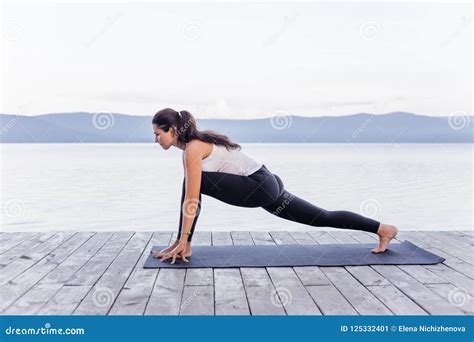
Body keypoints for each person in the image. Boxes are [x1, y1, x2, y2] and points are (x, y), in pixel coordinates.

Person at [151, 108, 398, 264]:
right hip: (268, 183)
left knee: (192, 185)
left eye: (158, 134)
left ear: (172, 130)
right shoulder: (196, 144)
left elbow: (192, 198)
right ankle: (383, 229)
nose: (156, 140)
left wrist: (184, 239)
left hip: (259, 186)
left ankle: (185, 244)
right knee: (320, 217)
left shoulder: (193, 149)